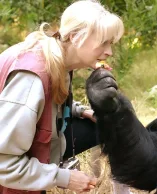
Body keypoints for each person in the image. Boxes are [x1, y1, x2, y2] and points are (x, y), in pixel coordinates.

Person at [0, 0, 124, 193]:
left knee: (106, 125)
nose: (109, 52)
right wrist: (64, 178)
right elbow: (3, 164)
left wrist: (80, 111)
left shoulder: (57, 59)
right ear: (75, 37)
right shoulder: (31, 79)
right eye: (103, 43)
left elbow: (43, 105)